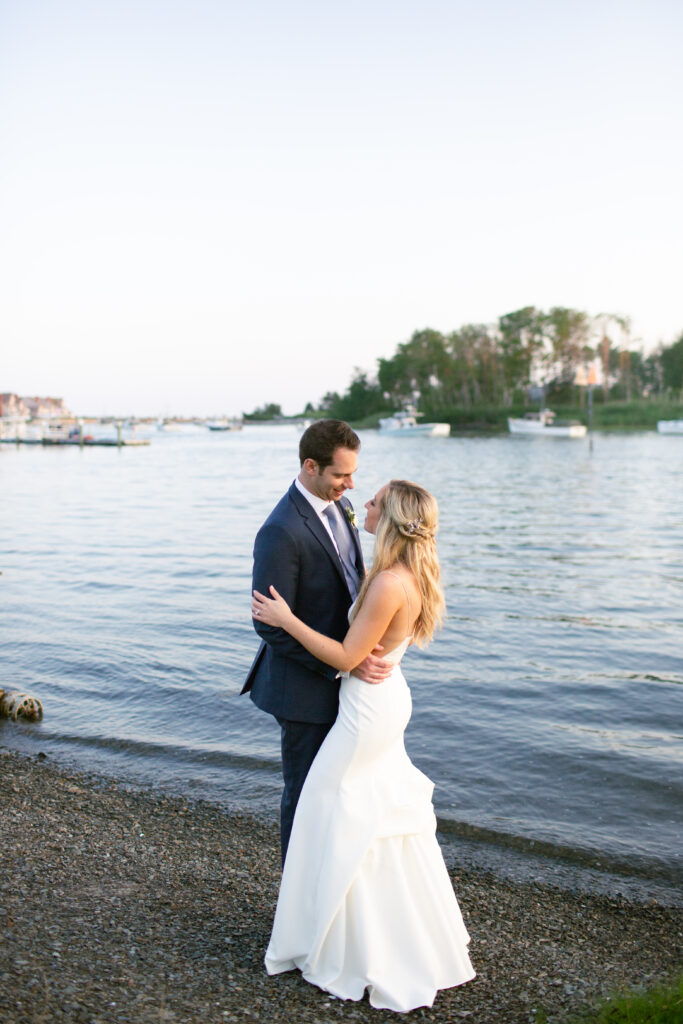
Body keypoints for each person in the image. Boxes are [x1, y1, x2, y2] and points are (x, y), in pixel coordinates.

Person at [251, 480, 476, 1013]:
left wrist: (287, 620)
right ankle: (363, 923)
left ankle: (345, 937)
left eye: (373, 503)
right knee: (360, 813)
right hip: (380, 700)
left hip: (366, 713)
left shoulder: (389, 584)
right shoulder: (402, 574)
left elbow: (350, 657)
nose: (362, 506)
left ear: (392, 519)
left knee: (334, 809)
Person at [241, 419, 393, 863]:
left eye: (353, 473)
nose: (350, 484)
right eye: (341, 475)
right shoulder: (280, 530)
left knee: (339, 792)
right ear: (310, 466)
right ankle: (297, 902)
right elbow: (270, 625)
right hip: (303, 690)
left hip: (344, 675)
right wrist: (342, 663)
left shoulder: (340, 508)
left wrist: (361, 647)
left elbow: (351, 583)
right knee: (306, 796)